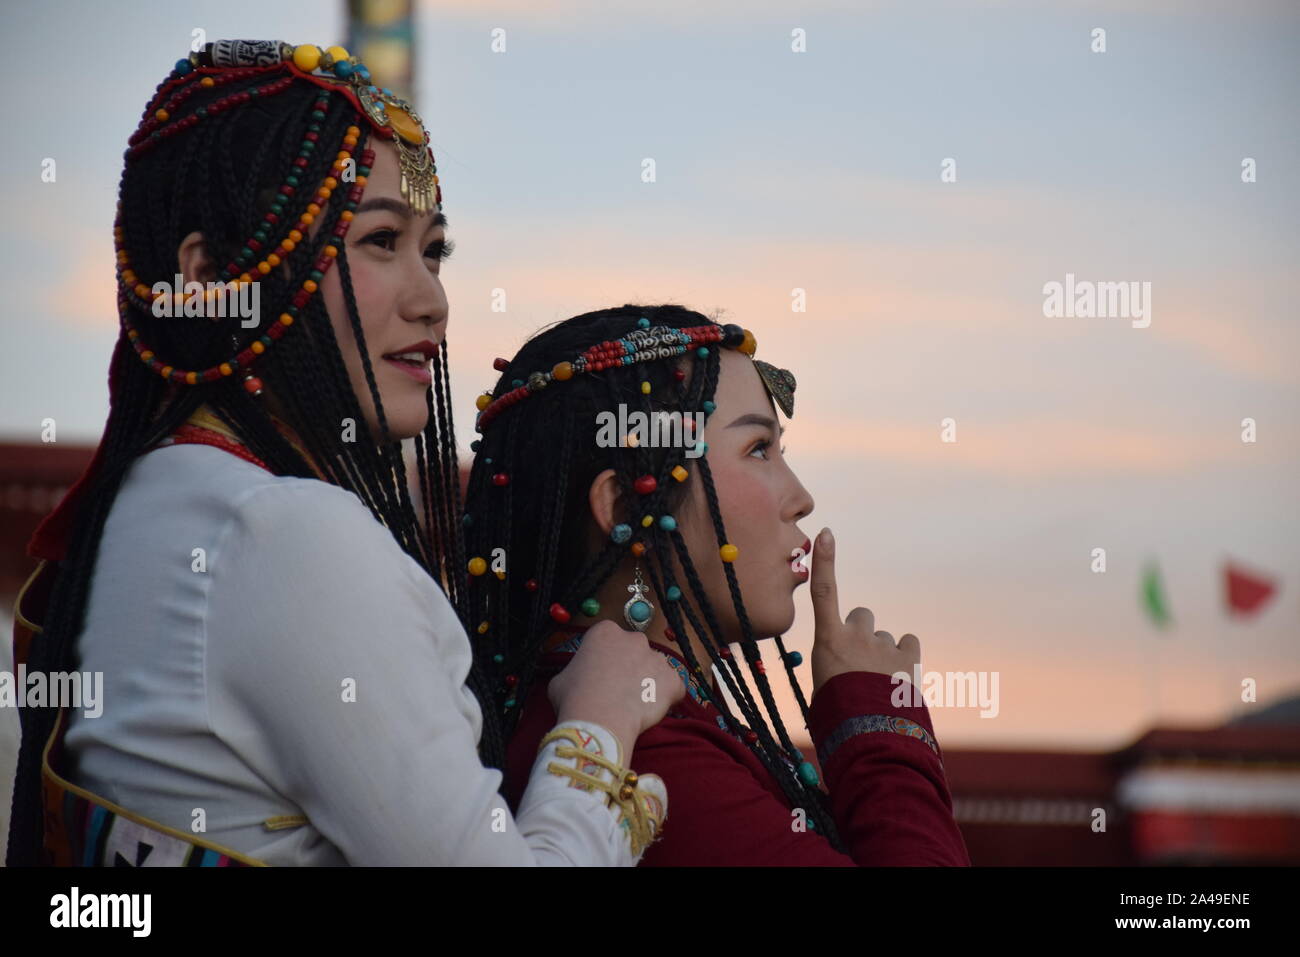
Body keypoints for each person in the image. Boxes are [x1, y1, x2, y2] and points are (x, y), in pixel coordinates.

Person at [7, 40, 681, 867]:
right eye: (378, 241)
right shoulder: (284, 532)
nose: (432, 299)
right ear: (217, 275)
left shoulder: (158, 496)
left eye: (433, 250)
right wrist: (600, 725)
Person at [462, 304, 971, 865]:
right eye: (758, 449)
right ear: (627, 507)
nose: (801, 497)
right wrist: (881, 729)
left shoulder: (627, 714)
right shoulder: (648, 753)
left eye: (781, 452)